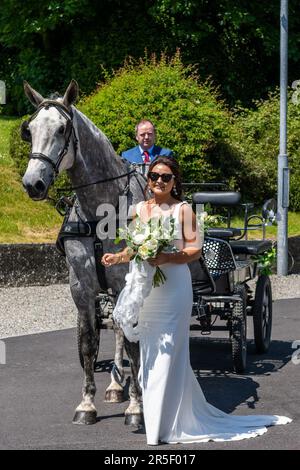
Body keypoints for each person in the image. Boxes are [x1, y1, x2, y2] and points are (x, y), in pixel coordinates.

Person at [101, 157, 292, 446]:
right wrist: (118, 256)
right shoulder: (140, 209)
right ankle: (161, 420)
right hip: (149, 291)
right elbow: (134, 246)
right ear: (148, 179)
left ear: (175, 181)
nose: (159, 182)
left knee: (169, 356)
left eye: (166, 177)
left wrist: (167, 257)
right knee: (151, 355)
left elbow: (194, 250)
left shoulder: (183, 210)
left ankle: (162, 430)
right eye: (154, 176)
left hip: (174, 289)